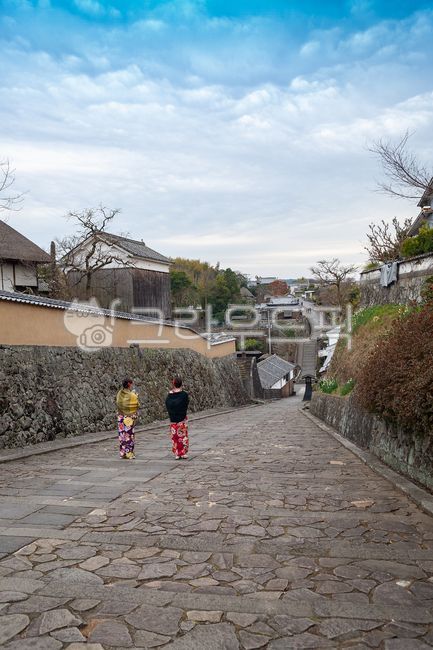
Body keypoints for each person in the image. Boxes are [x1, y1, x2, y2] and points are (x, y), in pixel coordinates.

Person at [165, 376, 189, 459]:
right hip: (182, 418)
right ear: (181, 384)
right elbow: (186, 404)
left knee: (175, 436)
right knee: (183, 436)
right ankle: (183, 452)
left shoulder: (169, 395)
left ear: (173, 384)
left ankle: (177, 453)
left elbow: (167, 404)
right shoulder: (184, 395)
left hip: (173, 419)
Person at [116, 378, 140, 459]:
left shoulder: (119, 393)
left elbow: (118, 403)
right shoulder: (132, 395)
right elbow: (136, 404)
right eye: (131, 383)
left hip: (120, 417)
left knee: (122, 436)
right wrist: (136, 396)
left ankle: (122, 453)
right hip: (128, 418)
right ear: (129, 384)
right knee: (129, 436)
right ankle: (129, 453)